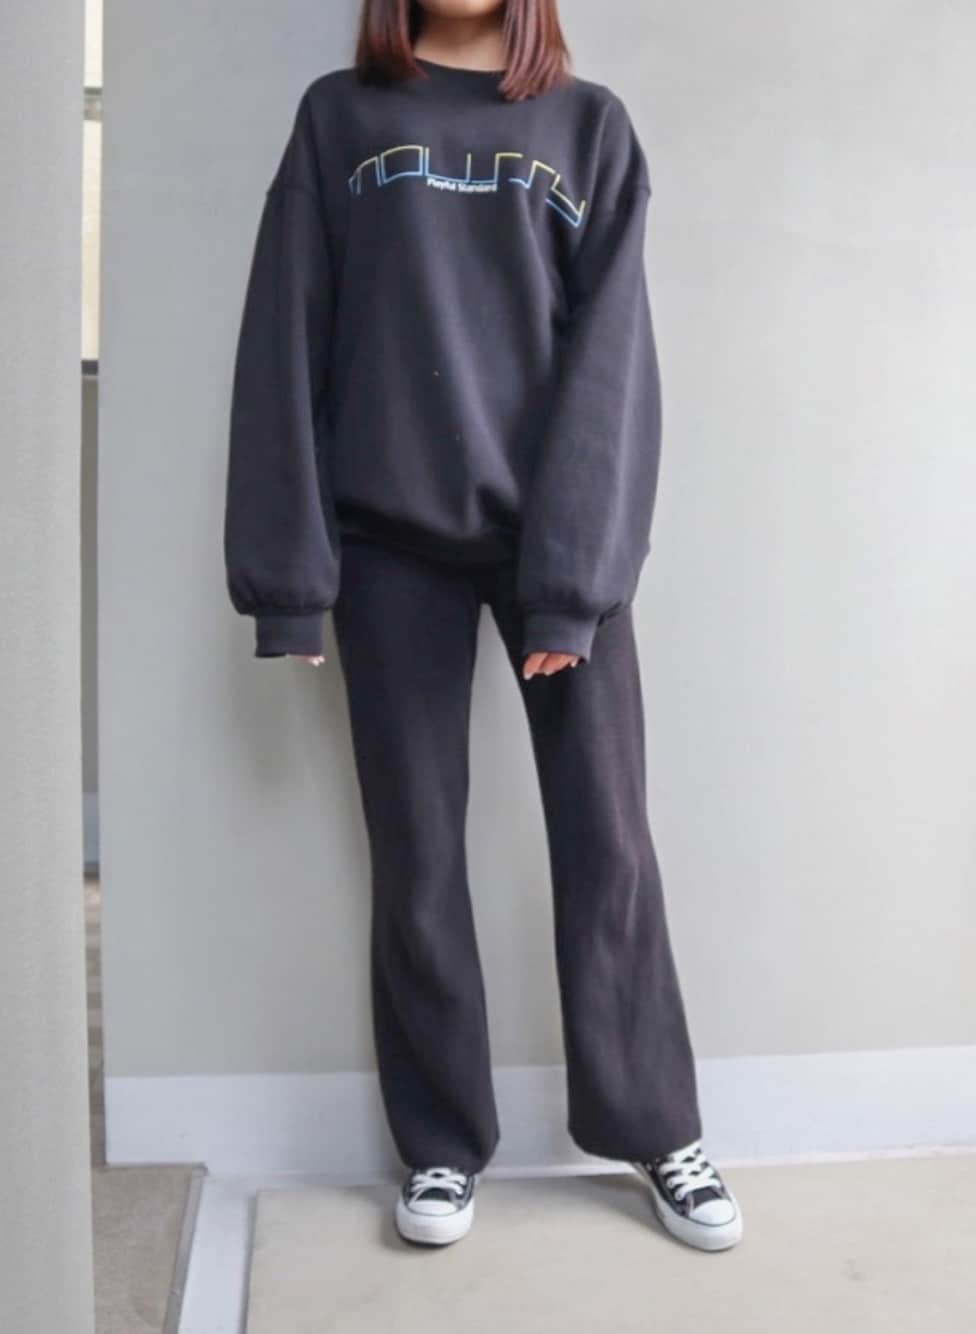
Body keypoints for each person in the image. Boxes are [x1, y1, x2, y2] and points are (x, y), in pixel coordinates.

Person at [223, 0, 743, 1253]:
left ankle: (655, 1124)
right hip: (385, 545)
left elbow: (612, 366)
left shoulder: (587, 125)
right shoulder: (339, 119)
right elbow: (285, 337)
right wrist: (289, 577)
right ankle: (442, 1143)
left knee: (608, 842)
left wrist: (570, 578)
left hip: (551, 541)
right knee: (416, 853)